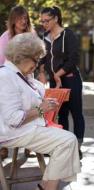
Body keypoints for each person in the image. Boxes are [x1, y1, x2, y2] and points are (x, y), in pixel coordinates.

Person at [0, 33, 80, 190]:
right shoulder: (5, 76)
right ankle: (47, 187)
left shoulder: (21, 75)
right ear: (22, 57)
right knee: (67, 141)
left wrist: (49, 99)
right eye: (36, 60)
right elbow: (13, 119)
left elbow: (36, 96)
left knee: (68, 141)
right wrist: (40, 109)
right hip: (12, 132)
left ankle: (46, 186)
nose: (37, 64)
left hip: (27, 128)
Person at [38, 6, 85, 159]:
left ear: (56, 19)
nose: (44, 24)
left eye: (47, 21)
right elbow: (42, 58)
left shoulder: (68, 35)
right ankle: (64, 146)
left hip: (71, 79)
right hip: (55, 82)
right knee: (60, 113)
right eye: (42, 21)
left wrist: (58, 74)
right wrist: (42, 72)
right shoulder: (44, 37)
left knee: (76, 113)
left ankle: (77, 147)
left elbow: (74, 59)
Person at [0, 5, 34, 159]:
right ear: (13, 19)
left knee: (30, 109)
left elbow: (37, 56)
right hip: (9, 80)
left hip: (27, 79)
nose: (24, 21)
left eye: (26, 18)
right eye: (20, 18)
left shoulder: (31, 36)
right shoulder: (5, 37)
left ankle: (31, 145)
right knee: (8, 111)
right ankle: (4, 146)